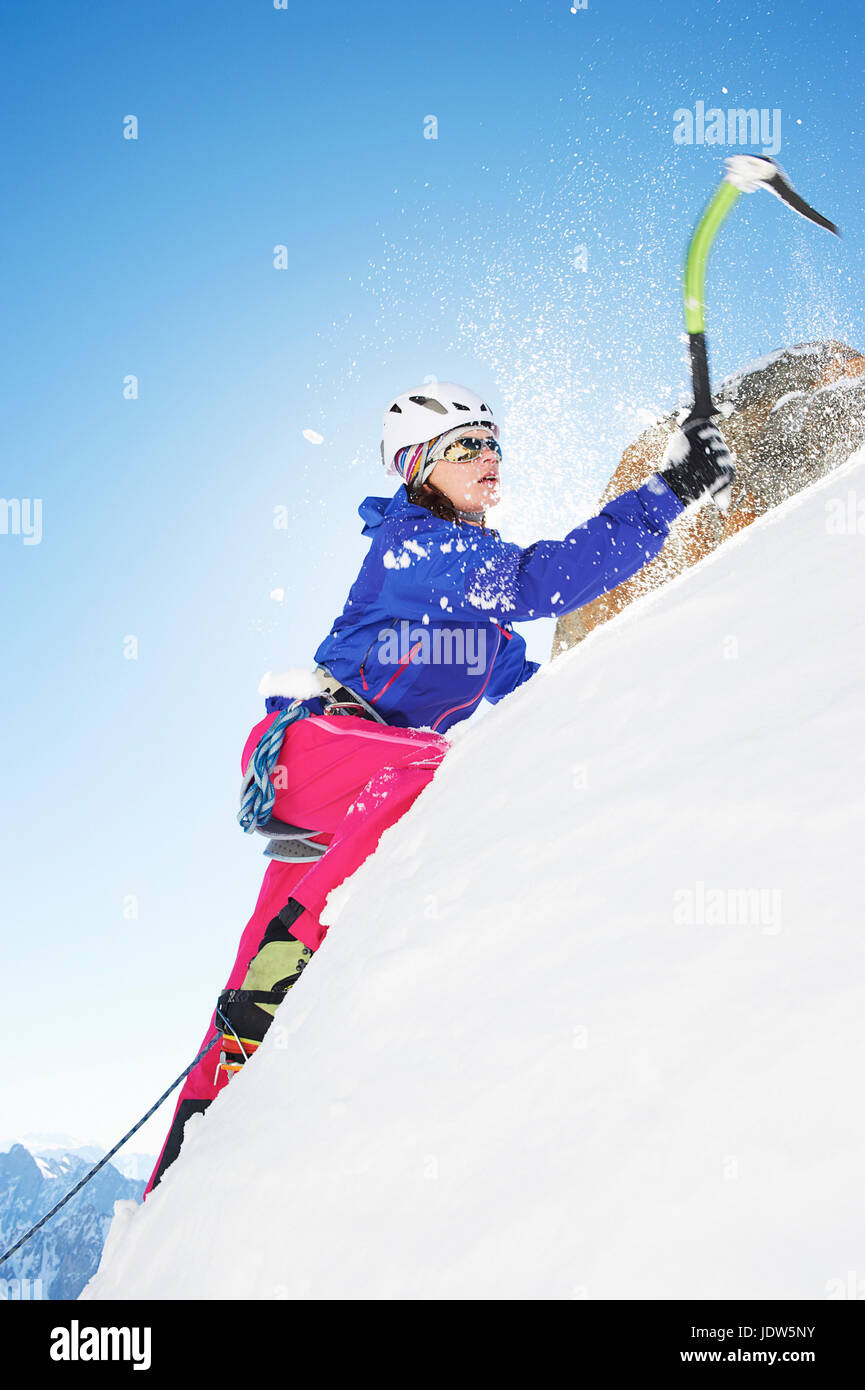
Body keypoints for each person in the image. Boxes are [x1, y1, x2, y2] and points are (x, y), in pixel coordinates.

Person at [144, 382, 734, 1195]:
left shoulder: (481, 632)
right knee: (439, 771)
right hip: (311, 752)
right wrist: (667, 494)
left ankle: (171, 1192)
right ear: (419, 468)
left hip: (351, 802)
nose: (488, 457)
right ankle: (299, 938)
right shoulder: (413, 550)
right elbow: (540, 581)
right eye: (465, 446)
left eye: (492, 442)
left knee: (247, 1007)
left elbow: (540, 702)